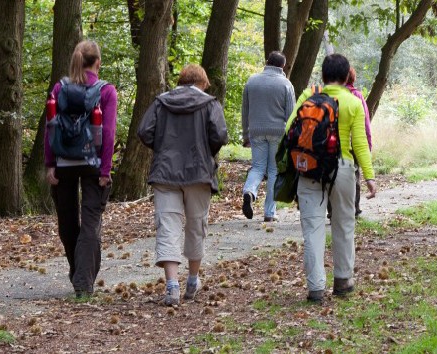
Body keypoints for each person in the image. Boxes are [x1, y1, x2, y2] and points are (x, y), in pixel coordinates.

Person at [287, 54, 377, 303]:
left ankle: (316, 288)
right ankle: (343, 280)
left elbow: (289, 131)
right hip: (343, 168)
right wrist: (369, 176)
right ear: (347, 75)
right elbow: (359, 143)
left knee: (313, 228)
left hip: (310, 168)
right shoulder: (353, 102)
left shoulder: (308, 96)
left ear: (323, 75)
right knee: (344, 224)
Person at [138, 64, 229, 306]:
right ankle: (192, 280)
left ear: (181, 81)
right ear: (203, 83)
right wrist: (205, 150)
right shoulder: (210, 103)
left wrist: (163, 148)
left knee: (167, 226)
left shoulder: (161, 101)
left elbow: (144, 131)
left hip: (166, 173)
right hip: (199, 173)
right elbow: (219, 135)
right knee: (196, 225)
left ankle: (171, 286)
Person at [45, 40, 117, 298]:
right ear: (97, 62)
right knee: (90, 223)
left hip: (63, 163)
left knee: (67, 222)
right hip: (93, 165)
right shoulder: (106, 91)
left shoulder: (59, 88)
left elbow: (50, 128)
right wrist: (105, 170)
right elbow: (107, 134)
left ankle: (79, 274)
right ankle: (83, 283)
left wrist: (50, 164)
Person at [241, 52, 296, 222]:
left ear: (267, 62)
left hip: (256, 130)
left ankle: (249, 191)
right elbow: (291, 115)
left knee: (257, 167)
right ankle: (269, 213)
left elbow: (245, 110)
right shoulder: (286, 84)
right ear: (283, 66)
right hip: (278, 132)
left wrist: (246, 134)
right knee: (274, 171)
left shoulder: (252, 81)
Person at [344, 68, 372, 218]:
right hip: (355, 142)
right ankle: (354, 208)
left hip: (332, 142)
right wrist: (368, 143)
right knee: (354, 174)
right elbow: (365, 122)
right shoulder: (357, 95)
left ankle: (332, 211)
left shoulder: (328, 95)